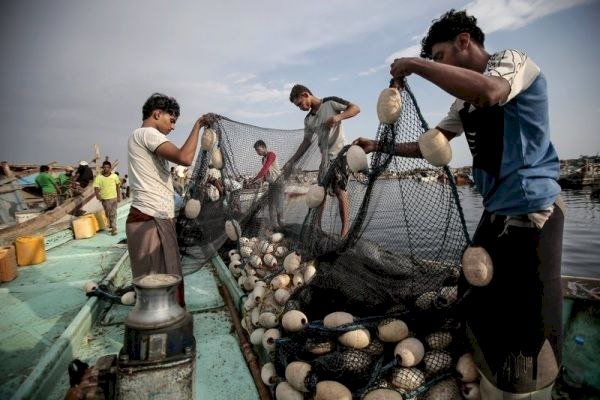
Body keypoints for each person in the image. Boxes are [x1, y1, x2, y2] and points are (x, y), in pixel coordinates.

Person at [354, 10, 563, 399]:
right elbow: (427, 145)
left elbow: (491, 93)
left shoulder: (510, 64)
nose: (438, 65)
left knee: (527, 313)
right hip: (498, 211)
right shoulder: (461, 105)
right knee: (473, 287)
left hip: (534, 210)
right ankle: (486, 371)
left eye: (440, 55)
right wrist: (376, 144)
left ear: (464, 42)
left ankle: (530, 388)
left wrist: (415, 65)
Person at [126, 92, 210, 308]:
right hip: (150, 219)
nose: (172, 127)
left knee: (157, 281)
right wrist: (198, 125)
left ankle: (163, 328)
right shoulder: (148, 133)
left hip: (153, 217)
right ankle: (163, 331)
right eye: (171, 120)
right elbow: (185, 158)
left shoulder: (139, 137)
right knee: (158, 283)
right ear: (156, 114)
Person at [284, 84, 360, 237]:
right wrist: (291, 161)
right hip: (324, 159)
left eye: (299, 104)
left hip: (340, 155)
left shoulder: (330, 103)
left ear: (306, 94)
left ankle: (344, 232)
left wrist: (337, 117)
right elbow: (306, 142)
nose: (300, 108)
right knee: (320, 192)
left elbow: (355, 108)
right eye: (297, 106)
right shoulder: (308, 120)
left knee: (340, 191)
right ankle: (317, 228)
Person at [250, 140, 284, 230]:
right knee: (271, 206)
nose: (257, 152)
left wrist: (255, 178)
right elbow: (266, 174)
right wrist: (261, 180)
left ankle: (281, 226)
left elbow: (266, 168)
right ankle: (274, 226)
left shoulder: (271, 155)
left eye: (258, 150)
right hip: (271, 184)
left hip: (278, 182)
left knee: (278, 205)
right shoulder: (263, 159)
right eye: (256, 151)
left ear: (264, 147)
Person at [93, 161, 121, 235]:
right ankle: (111, 226)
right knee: (107, 213)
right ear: (103, 168)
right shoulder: (99, 177)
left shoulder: (114, 176)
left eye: (108, 167)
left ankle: (114, 228)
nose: (106, 169)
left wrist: (119, 196)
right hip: (105, 199)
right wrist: (98, 196)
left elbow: (118, 186)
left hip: (114, 198)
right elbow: (96, 187)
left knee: (113, 213)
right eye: (105, 167)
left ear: (110, 168)